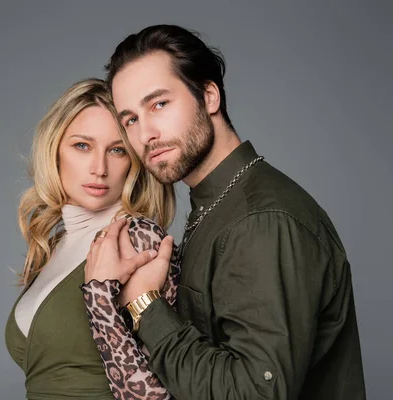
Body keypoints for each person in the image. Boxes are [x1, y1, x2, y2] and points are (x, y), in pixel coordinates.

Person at [84, 24, 366, 399]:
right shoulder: (217, 206)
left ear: (209, 95)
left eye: (159, 104)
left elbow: (257, 393)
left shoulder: (261, 221)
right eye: (131, 119)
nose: (145, 134)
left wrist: (145, 306)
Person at [4, 78, 176, 399]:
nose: (99, 168)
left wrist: (102, 298)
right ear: (54, 150)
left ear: (134, 161)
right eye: (82, 146)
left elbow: (158, 395)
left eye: (117, 150)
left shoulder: (138, 239)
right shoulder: (55, 245)